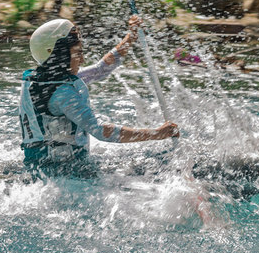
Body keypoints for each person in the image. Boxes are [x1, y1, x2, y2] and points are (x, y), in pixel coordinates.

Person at [18, 16, 179, 169]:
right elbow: (100, 131)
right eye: (78, 54)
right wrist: (157, 133)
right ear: (57, 54)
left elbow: (100, 70)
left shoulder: (43, 80)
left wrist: (131, 37)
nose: (82, 60)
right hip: (61, 174)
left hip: (43, 166)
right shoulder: (62, 93)